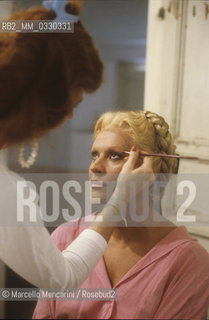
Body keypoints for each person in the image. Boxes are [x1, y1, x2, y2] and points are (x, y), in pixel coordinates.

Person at [0, 1, 153, 289]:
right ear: (44, 102)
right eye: (74, 102)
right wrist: (120, 200)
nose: (71, 115)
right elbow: (61, 280)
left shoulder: (185, 258)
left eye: (115, 156)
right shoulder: (8, 194)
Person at [33, 110, 209, 319]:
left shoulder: (189, 262)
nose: (95, 167)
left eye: (113, 156)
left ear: (147, 167)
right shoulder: (65, 237)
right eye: (95, 155)